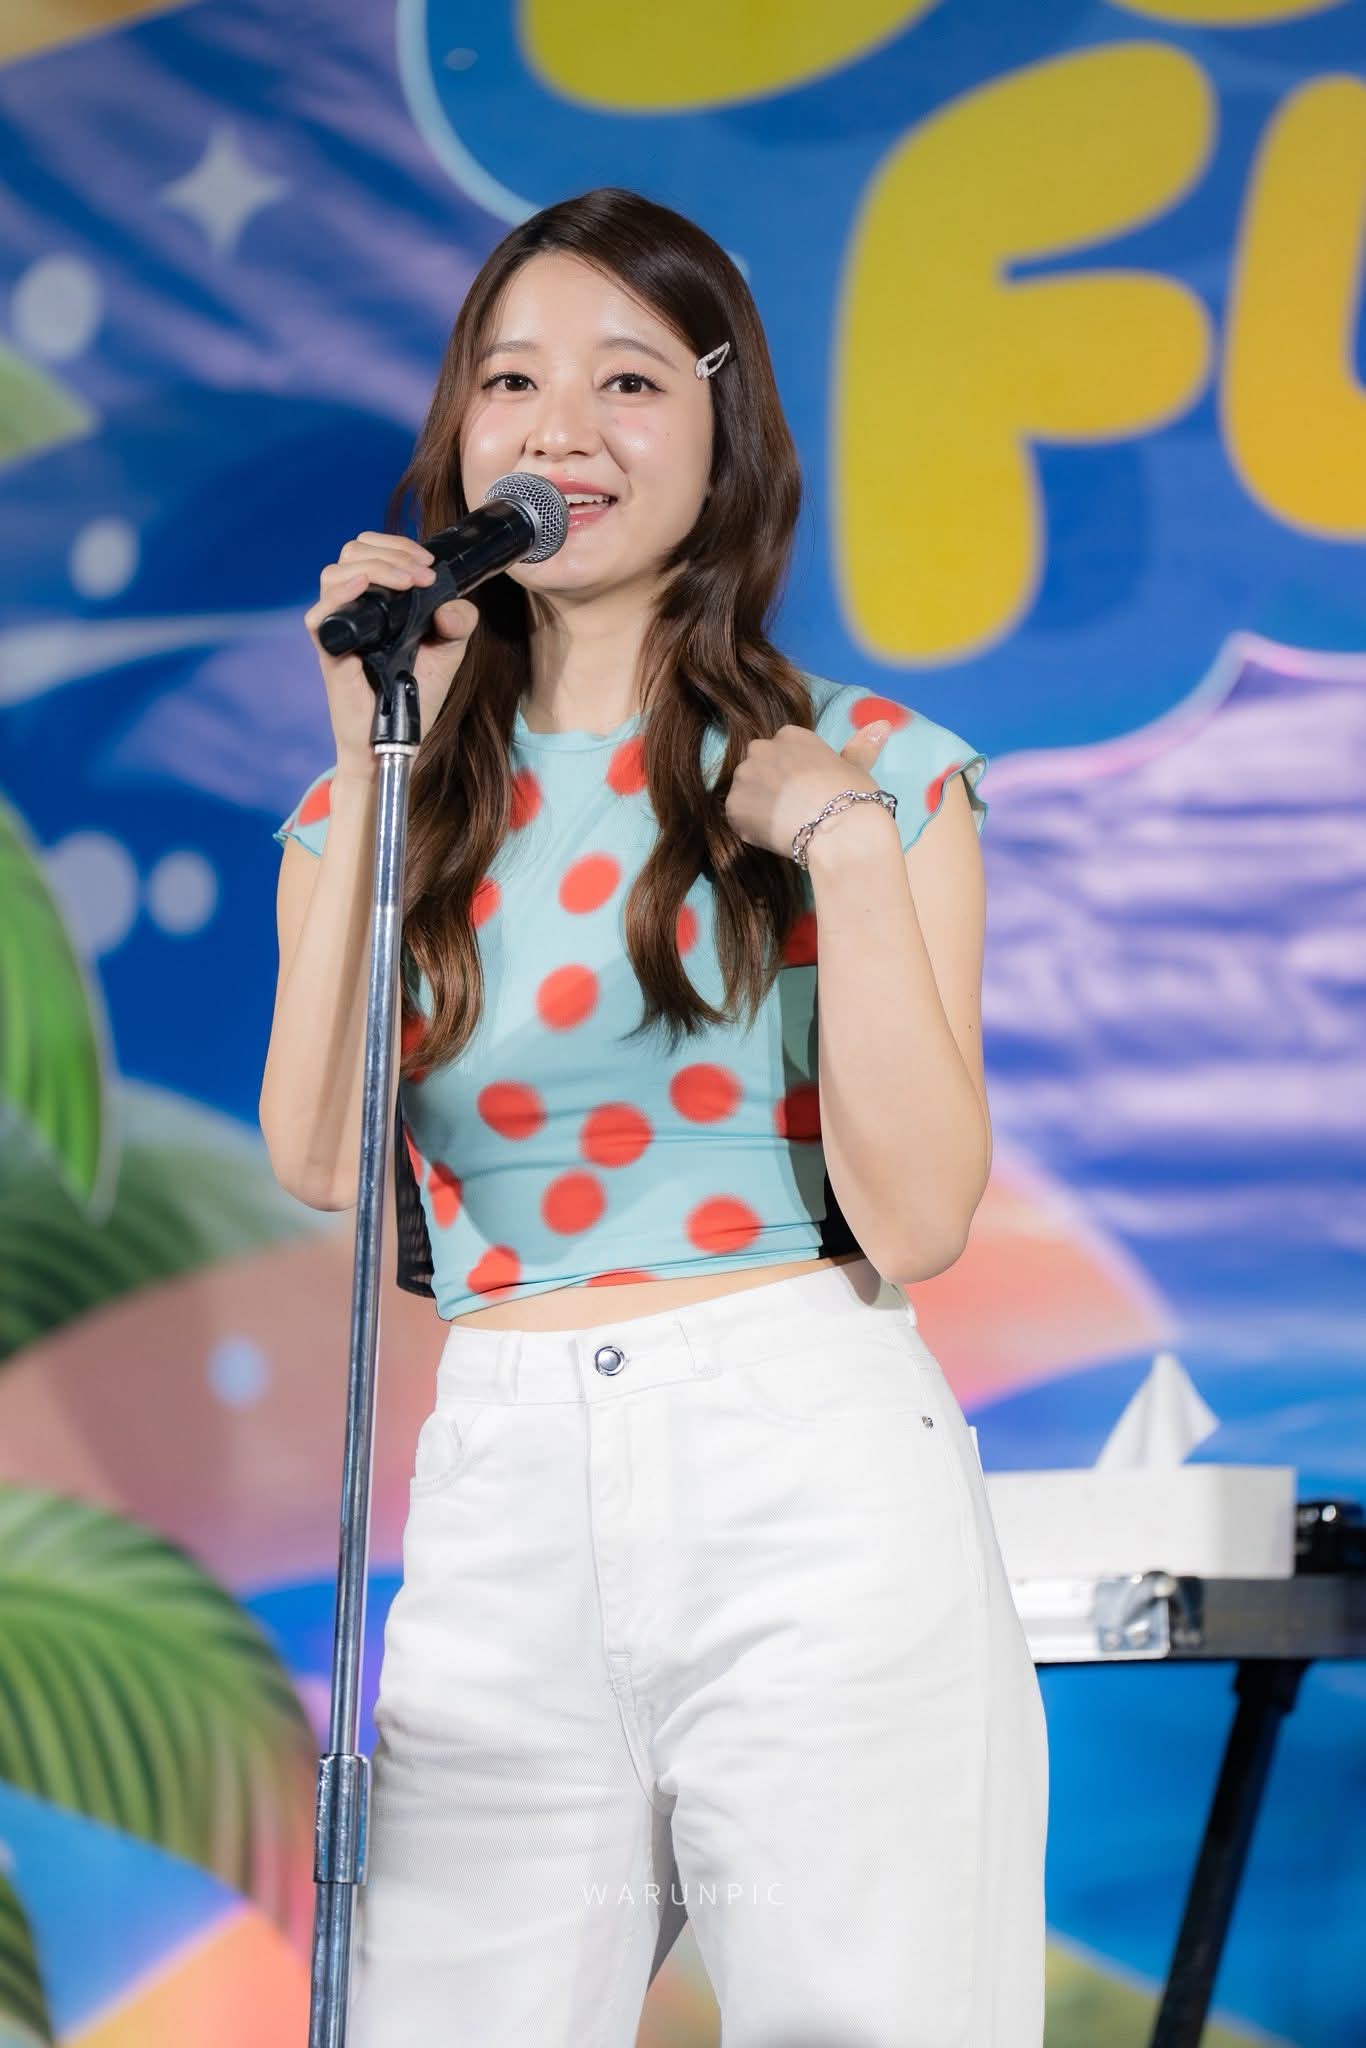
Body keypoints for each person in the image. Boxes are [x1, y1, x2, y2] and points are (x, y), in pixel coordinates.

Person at [260, 185, 1048, 2048]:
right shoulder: (384, 797)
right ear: (460, 435)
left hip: (800, 1457)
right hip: (504, 1477)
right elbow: (317, 1158)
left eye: (627, 382)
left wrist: (837, 848)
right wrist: (370, 756)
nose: (561, 431)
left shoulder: (870, 771)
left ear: (720, 429)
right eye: (510, 381)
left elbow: (919, 1220)